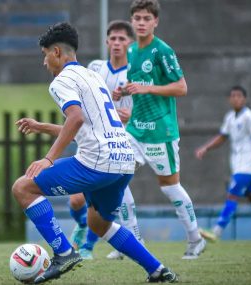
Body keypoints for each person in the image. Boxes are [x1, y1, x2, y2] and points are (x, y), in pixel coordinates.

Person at [13, 22, 177, 283]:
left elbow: (75, 118)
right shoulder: (92, 76)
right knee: (98, 224)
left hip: (97, 162)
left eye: (44, 55)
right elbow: (87, 126)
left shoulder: (61, 81)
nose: (45, 62)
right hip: (124, 160)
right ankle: (158, 270)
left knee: (23, 188)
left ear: (56, 52)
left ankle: (64, 252)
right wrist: (40, 126)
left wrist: (48, 159)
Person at [112, 0, 206, 259]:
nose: (141, 23)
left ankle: (195, 239)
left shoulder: (162, 51)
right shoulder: (131, 52)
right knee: (114, 176)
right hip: (135, 130)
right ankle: (132, 240)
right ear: (132, 21)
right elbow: (137, 83)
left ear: (155, 22)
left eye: (146, 18)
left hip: (160, 132)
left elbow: (182, 87)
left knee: (169, 186)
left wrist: (147, 88)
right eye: (137, 18)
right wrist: (123, 90)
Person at [67, 20, 144, 261]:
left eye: (122, 39)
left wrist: (131, 115)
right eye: (113, 38)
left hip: (124, 141)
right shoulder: (96, 68)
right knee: (77, 199)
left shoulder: (137, 71)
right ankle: (84, 227)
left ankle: (92, 247)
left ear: (130, 44)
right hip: (93, 139)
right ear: (107, 41)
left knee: (108, 197)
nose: (117, 43)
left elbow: (149, 109)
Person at [195, 86, 251, 243]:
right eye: (233, 96)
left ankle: (217, 231)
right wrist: (206, 148)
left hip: (247, 165)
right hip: (239, 164)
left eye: (239, 96)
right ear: (229, 99)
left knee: (232, 194)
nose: (236, 98)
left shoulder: (250, 117)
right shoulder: (230, 117)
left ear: (244, 99)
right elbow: (222, 137)